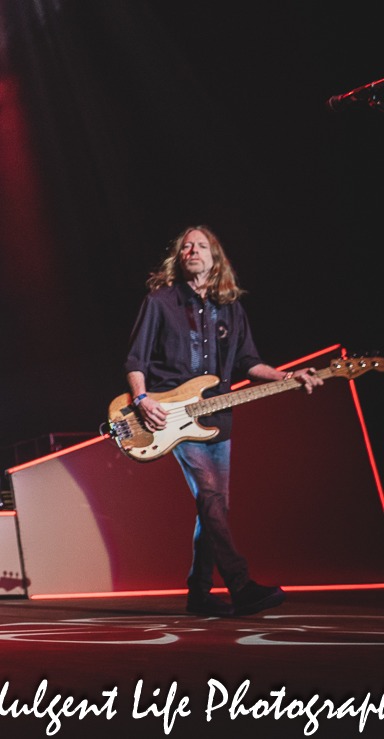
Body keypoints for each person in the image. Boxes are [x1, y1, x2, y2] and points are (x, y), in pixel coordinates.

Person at [125, 225, 322, 617]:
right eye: (185, 247)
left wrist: (288, 377)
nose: (191, 251)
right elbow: (135, 359)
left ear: (215, 258)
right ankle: (241, 585)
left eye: (199, 246)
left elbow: (250, 362)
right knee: (211, 498)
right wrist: (142, 398)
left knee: (213, 506)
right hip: (174, 416)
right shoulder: (160, 302)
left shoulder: (230, 309)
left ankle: (198, 595)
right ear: (178, 258)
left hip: (218, 417)